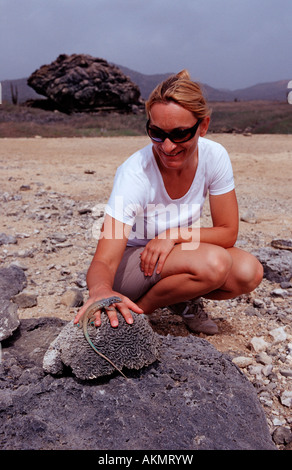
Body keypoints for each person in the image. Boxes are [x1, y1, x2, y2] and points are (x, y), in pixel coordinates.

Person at [74, 70, 263, 335]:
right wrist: (101, 291)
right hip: (131, 267)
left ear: (203, 126)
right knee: (215, 263)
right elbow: (104, 260)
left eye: (180, 134)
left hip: (173, 255)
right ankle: (138, 309)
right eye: (156, 133)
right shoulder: (135, 174)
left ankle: (149, 306)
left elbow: (228, 232)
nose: (167, 146)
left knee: (248, 271)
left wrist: (172, 235)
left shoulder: (215, 156)